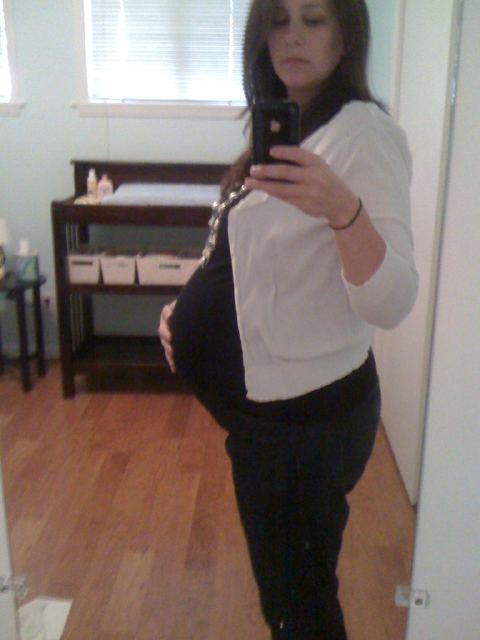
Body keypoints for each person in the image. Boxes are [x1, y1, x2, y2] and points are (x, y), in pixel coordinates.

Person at [158, 0, 418, 638]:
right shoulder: (290, 125)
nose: (293, 36)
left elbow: (392, 301)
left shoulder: (363, 135)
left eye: (314, 19)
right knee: (291, 594)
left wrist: (342, 210)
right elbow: (252, 255)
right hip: (272, 421)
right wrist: (185, 310)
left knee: (300, 611)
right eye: (279, 20)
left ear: (346, 35)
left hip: (305, 428)